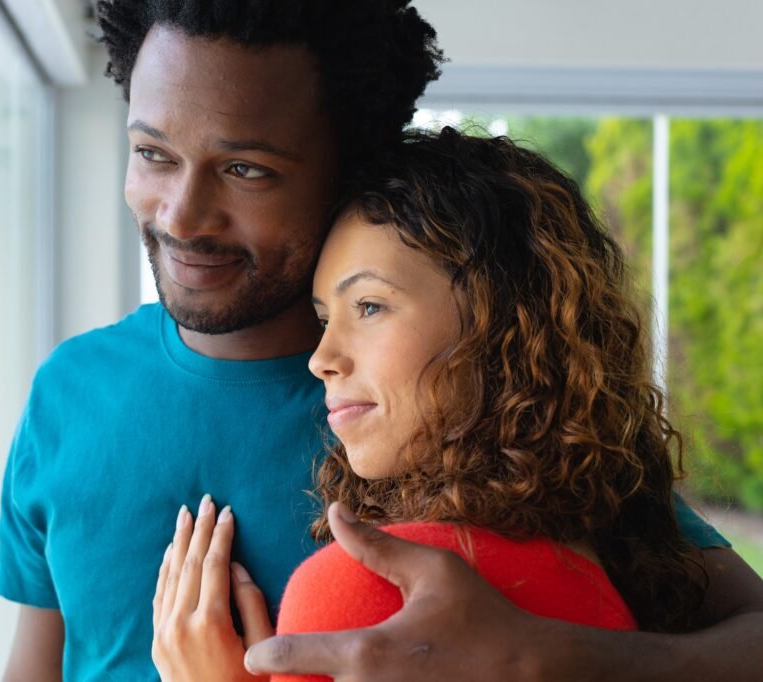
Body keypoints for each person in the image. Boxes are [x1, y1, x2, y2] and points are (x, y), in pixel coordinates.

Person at [0, 1, 763, 680]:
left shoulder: (466, 412)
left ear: (350, 168)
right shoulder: (66, 394)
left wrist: (553, 661)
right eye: (153, 154)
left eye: (244, 168)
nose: (184, 215)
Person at [149, 128, 710, 682]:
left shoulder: (362, 596)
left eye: (369, 306)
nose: (322, 357)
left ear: (500, 329)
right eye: (324, 320)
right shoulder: (602, 567)